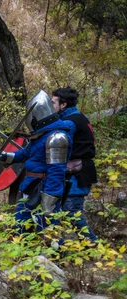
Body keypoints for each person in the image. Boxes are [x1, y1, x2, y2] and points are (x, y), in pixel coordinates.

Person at [0, 90, 76, 234]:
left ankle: (53, 255)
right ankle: (22, 254)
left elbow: (56, 171)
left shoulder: (57, 138)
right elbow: (26, 153)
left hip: (44, 188)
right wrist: (5, 156)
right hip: (30, 185)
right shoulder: (42, 135)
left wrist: (50, 200)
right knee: (22, 224)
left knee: (48, 229)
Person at [52, 87, 98, 241]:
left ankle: (94, 245)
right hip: (79, 171)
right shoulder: (79, 118)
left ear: (63, 105)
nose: (51, 106)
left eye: (53, 103)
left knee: (72, 212)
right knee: (67, 212)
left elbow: (60, 147)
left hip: (76, 174)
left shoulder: (69, 123)